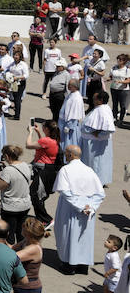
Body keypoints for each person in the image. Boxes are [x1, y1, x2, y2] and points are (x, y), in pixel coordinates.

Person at [53, 144, 105, 274]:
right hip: (87, 210)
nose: (65, 155)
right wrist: (91, 206)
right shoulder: (89, 170)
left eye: (66, 153)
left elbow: (65, 192)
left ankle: (69, 265)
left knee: (68, 234)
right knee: (83, 236)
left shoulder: (65, 170)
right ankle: (82, 266)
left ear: (70, 155)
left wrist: (81, 206)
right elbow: (100, 193)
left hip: (70, 208)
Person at [24, 120, 60, 225]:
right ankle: (42, 218)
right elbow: (42, 144)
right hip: (48, 170)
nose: (42, 128)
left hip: (44, 171)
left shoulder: (47, 141)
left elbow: (28, 145)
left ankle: (46, 219)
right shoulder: (52, 140)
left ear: (47, 129)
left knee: (34, 194)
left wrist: (30, 132)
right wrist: (38, 132)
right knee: (38, 195)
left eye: (43, 127)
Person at [0, 144, 32, 244]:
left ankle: (10, 255)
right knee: (21, 233)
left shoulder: (8, 171)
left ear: (7, 156)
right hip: (24, 205)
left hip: (10, 207)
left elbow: (0, 186)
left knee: (9, 235)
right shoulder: (25, 165)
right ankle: (22, 253)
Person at [81, 89, 116, 185]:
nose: (93, 100)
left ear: (100, 100)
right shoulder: (100, 108)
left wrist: (99, 133)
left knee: (96, 163)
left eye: (94, 98)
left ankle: (96, 181)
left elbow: (109, 128)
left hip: (96, 145)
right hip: (93, 142)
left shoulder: (103, 110)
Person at [13, 218, 46, 293]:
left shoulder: (34, 248)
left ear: (28, 233)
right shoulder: (26, 241)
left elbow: (11, 257)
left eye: (25, 225)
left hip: (28, 288)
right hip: (21, 285)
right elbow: (11, 248)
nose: (22, 225)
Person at [58, 79, 84, 149]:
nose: (68, 86)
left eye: (70, 85)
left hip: (69, 126)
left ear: (74, 87)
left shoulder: (76, 98)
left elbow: (74, 114)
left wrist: (69, 126)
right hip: (63, 123)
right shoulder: (71, 94)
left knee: (68, 144)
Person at [107, 53, 130, 125]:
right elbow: (111, 76)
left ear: (124, 61)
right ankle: (114, 118)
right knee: (114, 104)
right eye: (118, 59)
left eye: (120, 60)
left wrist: (121, 81)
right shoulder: (114, 67)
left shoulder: (127, 70)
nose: (118, 61)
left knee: (122, 106)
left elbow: (128, 80)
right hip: (113, 88)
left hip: (123, 90)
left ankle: (121, 120)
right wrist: (108, 79)